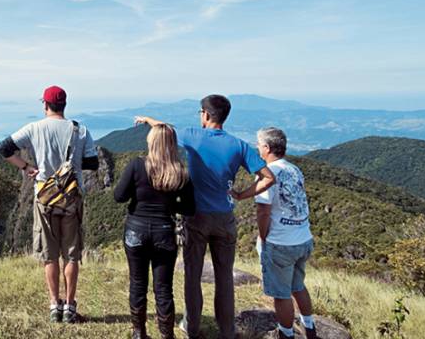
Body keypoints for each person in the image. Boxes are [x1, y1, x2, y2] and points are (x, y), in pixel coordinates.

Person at [135, 94, 276, 339]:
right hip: (225, 218)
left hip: (197, 216)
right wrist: (242, 195)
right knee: (225, 278)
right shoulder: (238, 145)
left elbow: (164, 129)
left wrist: (147, 119)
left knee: (193, 275)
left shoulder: (192, 135)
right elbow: (268, 177)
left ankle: (192, 327)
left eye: (201, 112)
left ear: (207, 115)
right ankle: (227, 331)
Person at [0, 85, 100, 323]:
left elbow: (4, 149)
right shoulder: (80, 130)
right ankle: (70, 307)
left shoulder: (34, 128)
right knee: (72, 254)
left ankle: (55, 304)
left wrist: (25, 166)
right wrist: (71, 167)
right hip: (71, 197)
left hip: (44, 196)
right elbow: (94, 163)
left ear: (45, 105)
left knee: (50, 254)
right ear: (64, 105)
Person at [231, 127, 318, 339]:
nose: (258, 148)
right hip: (303, 238)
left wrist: (263, 238)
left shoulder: (269, 174)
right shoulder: (294, 169)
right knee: (298, 286)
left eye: (259, 144)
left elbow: (263, 211)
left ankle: (286, 334)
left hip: (281, 242)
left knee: (281, 295)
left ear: (267, 148)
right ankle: (310, 328)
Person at [114, 124, 195, 339]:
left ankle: (139, 333)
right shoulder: (181, 172)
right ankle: (166, 335)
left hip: (136, 230)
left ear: (152, 142)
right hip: (164, 232)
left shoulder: (136, 166)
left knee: (137, 283)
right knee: (163, 288)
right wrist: (172, 204)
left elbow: (119, 196)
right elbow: (189, 209)